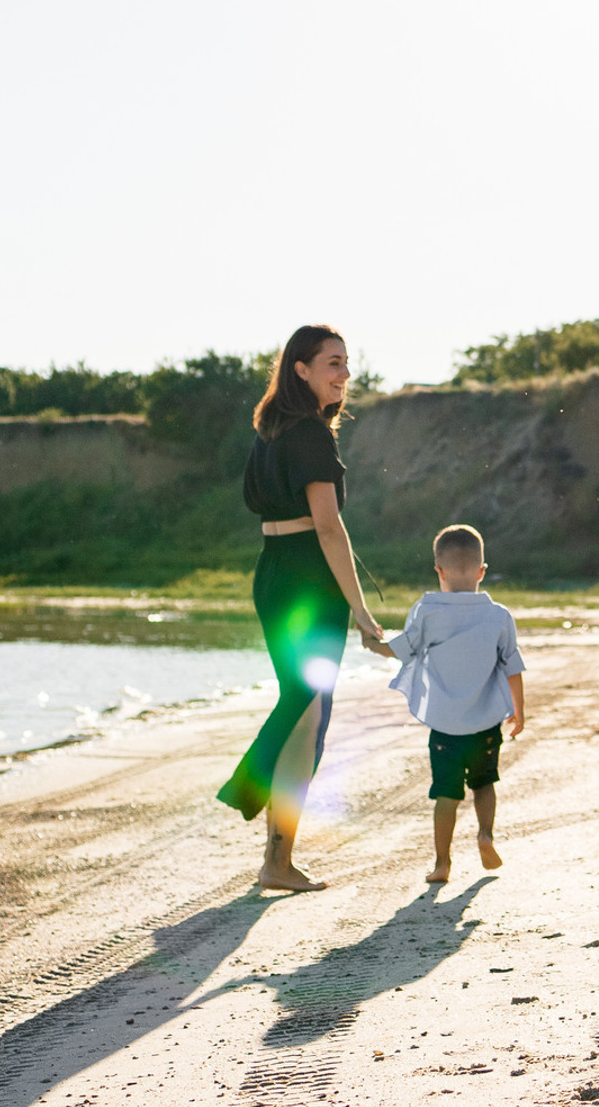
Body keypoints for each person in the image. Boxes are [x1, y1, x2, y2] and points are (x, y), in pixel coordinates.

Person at [217, 324, 390, 893]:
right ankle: (270, 845)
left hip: (272, 571)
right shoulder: (312, 434)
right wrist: (361, 612)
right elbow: (329, 526)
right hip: (306, 580)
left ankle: (276, 857)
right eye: (333, 363)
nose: (344, 374)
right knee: (306, 711)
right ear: (301, 369)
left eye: (346, 364)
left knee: (302, 709)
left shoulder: (269, 429)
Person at [376, 523, 526, 885]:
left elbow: (402, 648)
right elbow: (514, 667)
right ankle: (486, 835)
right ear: (482, 571)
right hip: (486, 724)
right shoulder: (498, 616)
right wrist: (520, 711)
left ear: (438, 571)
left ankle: (442, 863)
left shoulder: (427, 611)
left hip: (445, 726)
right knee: (485, 783)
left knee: (446, 794)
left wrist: (372, 641)